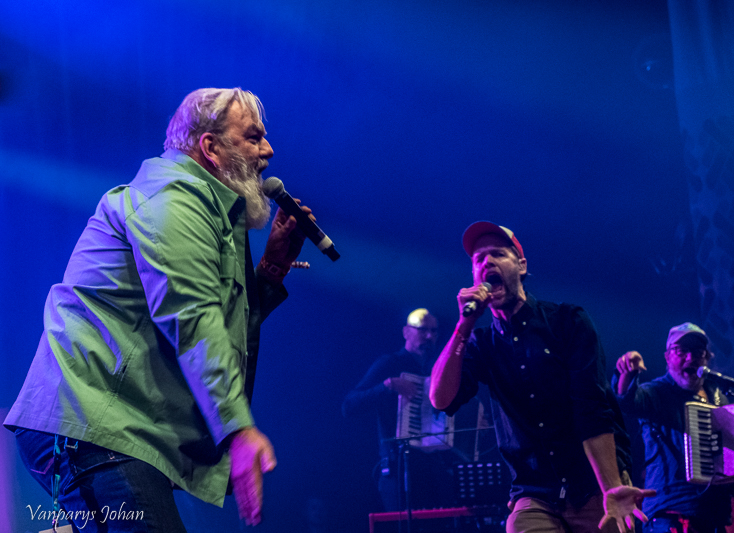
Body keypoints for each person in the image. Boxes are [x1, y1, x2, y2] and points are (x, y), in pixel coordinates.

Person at [4, 87, 313, 531]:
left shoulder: (209, 212)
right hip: (94, 425)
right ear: (210, 148)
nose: (268, 150)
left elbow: (220, 327)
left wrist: (272, 269)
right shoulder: (174, 200)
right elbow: (193, 319)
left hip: (119, 430)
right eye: (253, 137)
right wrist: (238, 430)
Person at [428, 221, 654, 533]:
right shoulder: (482, 344)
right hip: (534, 492)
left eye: (498, 254)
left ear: (521, 266)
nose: (487, 262)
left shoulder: (567, 322)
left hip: (592, 482)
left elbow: (591, 410)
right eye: (478, 259)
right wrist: (463, 325)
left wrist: (611, 488)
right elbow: (440, 398)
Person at [613, 322, 734, 533]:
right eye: (681, 351)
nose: (690, 357)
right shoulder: (656, 392)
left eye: (698, 352)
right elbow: (627, 402)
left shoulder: (720, 400)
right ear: (667, 357)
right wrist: (627, 374)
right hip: (671, 513)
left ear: (707, 358)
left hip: (714, 517)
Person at [342, 308, 455, 511]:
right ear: (406, 332)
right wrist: (388, 385)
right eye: (423, 330)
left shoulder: (436, 368)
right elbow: (349, 405)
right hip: (399, 467)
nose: (429, 336)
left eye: (434, 331)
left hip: (432, 468)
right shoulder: (390, 363)